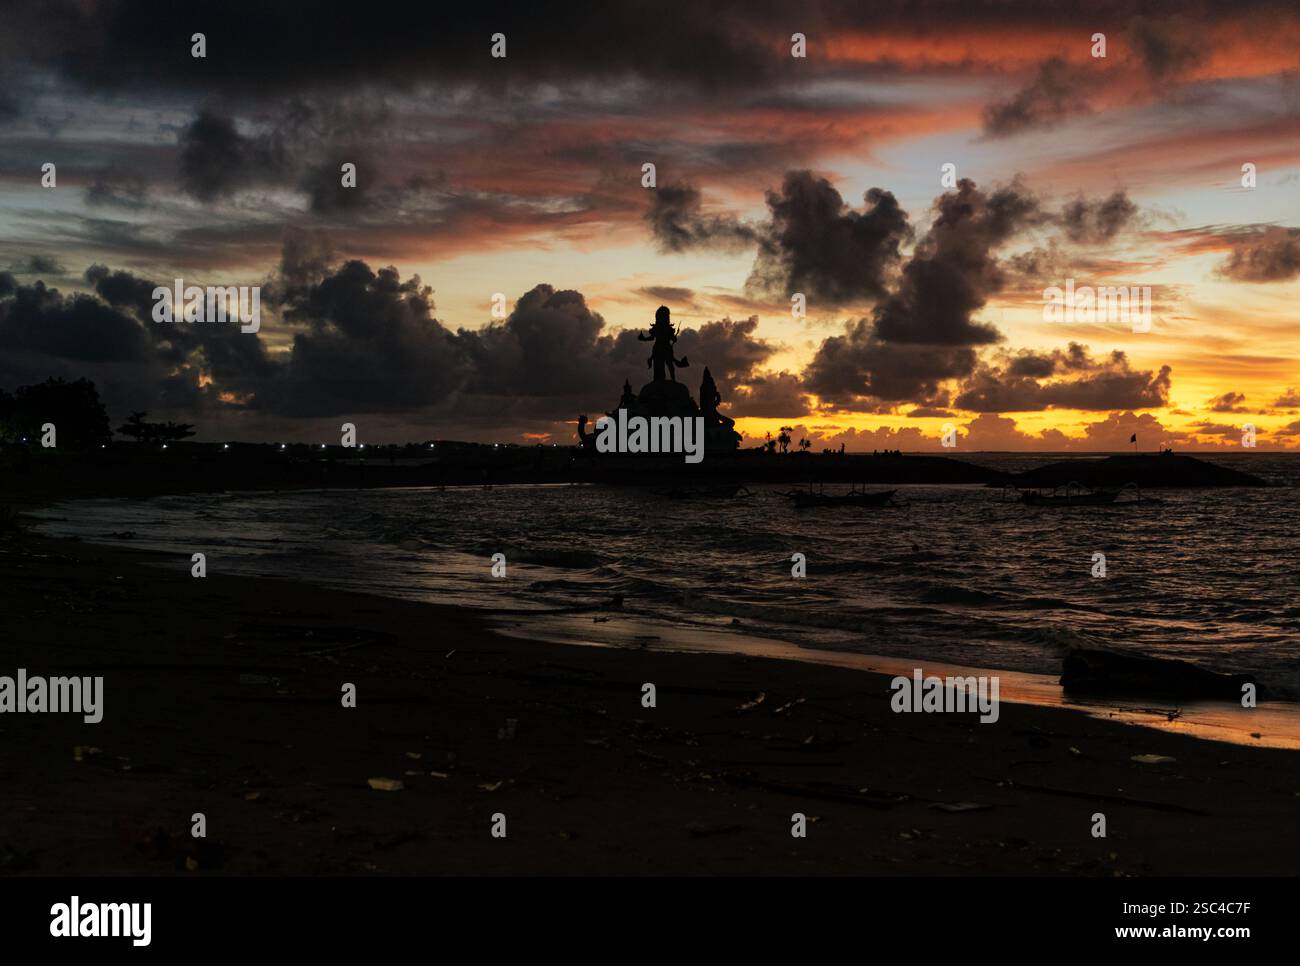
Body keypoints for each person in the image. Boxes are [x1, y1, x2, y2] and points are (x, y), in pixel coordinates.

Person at [638, 306, 689, 382]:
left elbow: (672, 338)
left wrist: (674, 338)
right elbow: (652, 337)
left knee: (670, 365)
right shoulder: (656, 328)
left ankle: (673, 379)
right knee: (659, 365)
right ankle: (659, 380)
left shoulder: (668, 328)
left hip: (666, 348)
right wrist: (644, 339)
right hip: (658, 348)